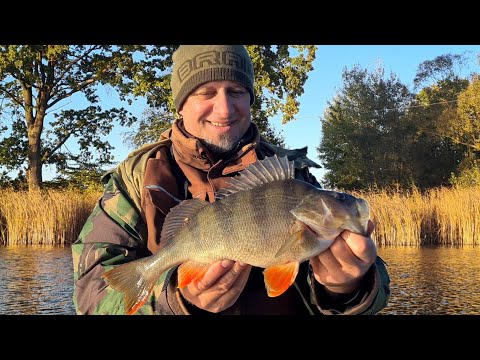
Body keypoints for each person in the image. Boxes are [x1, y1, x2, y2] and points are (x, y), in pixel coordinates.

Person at [71, 45, 390, 315]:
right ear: (181, 105)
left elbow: (376, 291)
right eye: (206, 92)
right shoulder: (136, 177)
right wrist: (177, 300)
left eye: (236, 91)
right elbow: (90, 295)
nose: (224, 109)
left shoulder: (293, 174)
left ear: (250, 99)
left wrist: (347, 286)